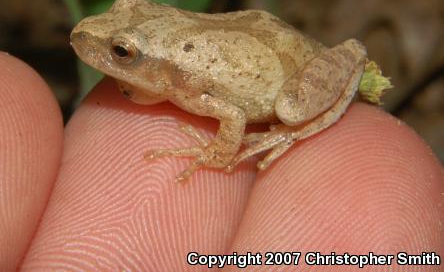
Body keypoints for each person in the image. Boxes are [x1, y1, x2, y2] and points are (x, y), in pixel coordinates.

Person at [1, 53, 443, 270]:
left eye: (120, 51)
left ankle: (301, 127)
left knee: (290, 110)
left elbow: (232, 113)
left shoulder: (190, 83)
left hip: (284, 81)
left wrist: (216, 155)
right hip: (258, 47)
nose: (109, 56)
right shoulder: (170, 75)